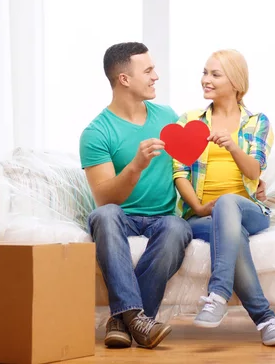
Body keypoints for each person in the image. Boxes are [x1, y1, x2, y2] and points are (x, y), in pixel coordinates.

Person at [79, 42, 193, 349]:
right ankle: (138, 319)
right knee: (104, 215)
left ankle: (122, 319)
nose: (156, 76)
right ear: (124, 79)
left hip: (162, 218)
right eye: (148, 70)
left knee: (177, 228)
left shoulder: (168, 116)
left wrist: (249, 183)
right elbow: (104, 199)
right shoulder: (97, 132)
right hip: (121, 218)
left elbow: (191, 166)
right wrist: (136, 166)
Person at [172, 49, 275, 346]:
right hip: (200, 217)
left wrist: (233, 146)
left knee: (227, 202)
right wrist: (197, 206)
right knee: (231, 233)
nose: (205, 80)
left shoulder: (256, 122)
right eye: (204, 72)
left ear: (236, 82)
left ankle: (219, 293)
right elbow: (180, 173)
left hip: (249, 211)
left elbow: (254, 168)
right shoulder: (191, 120)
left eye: (214, 74)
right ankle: (266, 320)